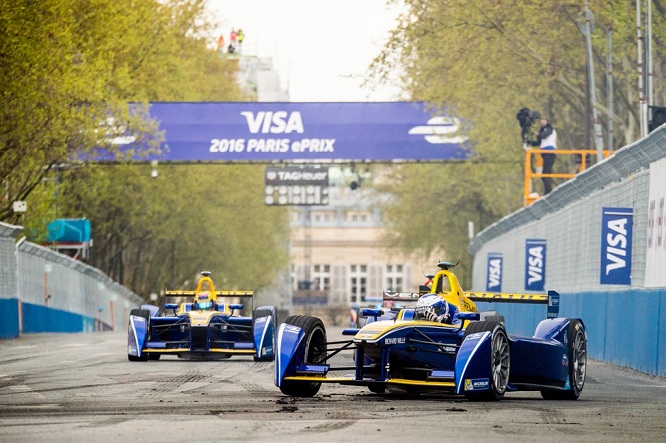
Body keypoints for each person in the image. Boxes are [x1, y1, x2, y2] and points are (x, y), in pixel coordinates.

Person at [531, 119, 558, 195]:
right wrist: (530, 141)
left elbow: (543, 135)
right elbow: (538, 142)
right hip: (545, 153)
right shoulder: (542, 131)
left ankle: (548, 191)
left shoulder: (549, 129)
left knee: (545, 174)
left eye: (544, 122)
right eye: (541, 123)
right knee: (545, 173)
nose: (542, 124)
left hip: (549, 153)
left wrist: (537, 134)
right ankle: (548, 191)